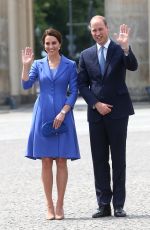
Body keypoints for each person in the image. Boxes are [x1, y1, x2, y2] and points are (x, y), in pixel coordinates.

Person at [78, 15, 138, 218]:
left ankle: (119, 204)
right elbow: (81, 84)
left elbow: (133, 66)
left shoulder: (119, 49)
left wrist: (126, 47)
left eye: (99, 29)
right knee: (99, 160)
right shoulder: (85, 55)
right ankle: (103, 204)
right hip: (96, 114)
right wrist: (96, 104)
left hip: (119, 112)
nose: (97, 33)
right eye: (93, 30)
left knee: (119, 159)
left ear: (107, 28)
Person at [21, 28, 80, 220]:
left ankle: (60, 204)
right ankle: (49, 205)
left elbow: (74, 92)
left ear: (60, 44)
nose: (51, 46)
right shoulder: (37, 64)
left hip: (63, 115)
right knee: (46, 161)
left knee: (62, 160)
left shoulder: (70, 65)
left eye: (54, 43)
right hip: (43, 115)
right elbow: (26, 85)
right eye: (47, 43)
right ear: (44, 45)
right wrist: (25, 66)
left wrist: (64, 111)